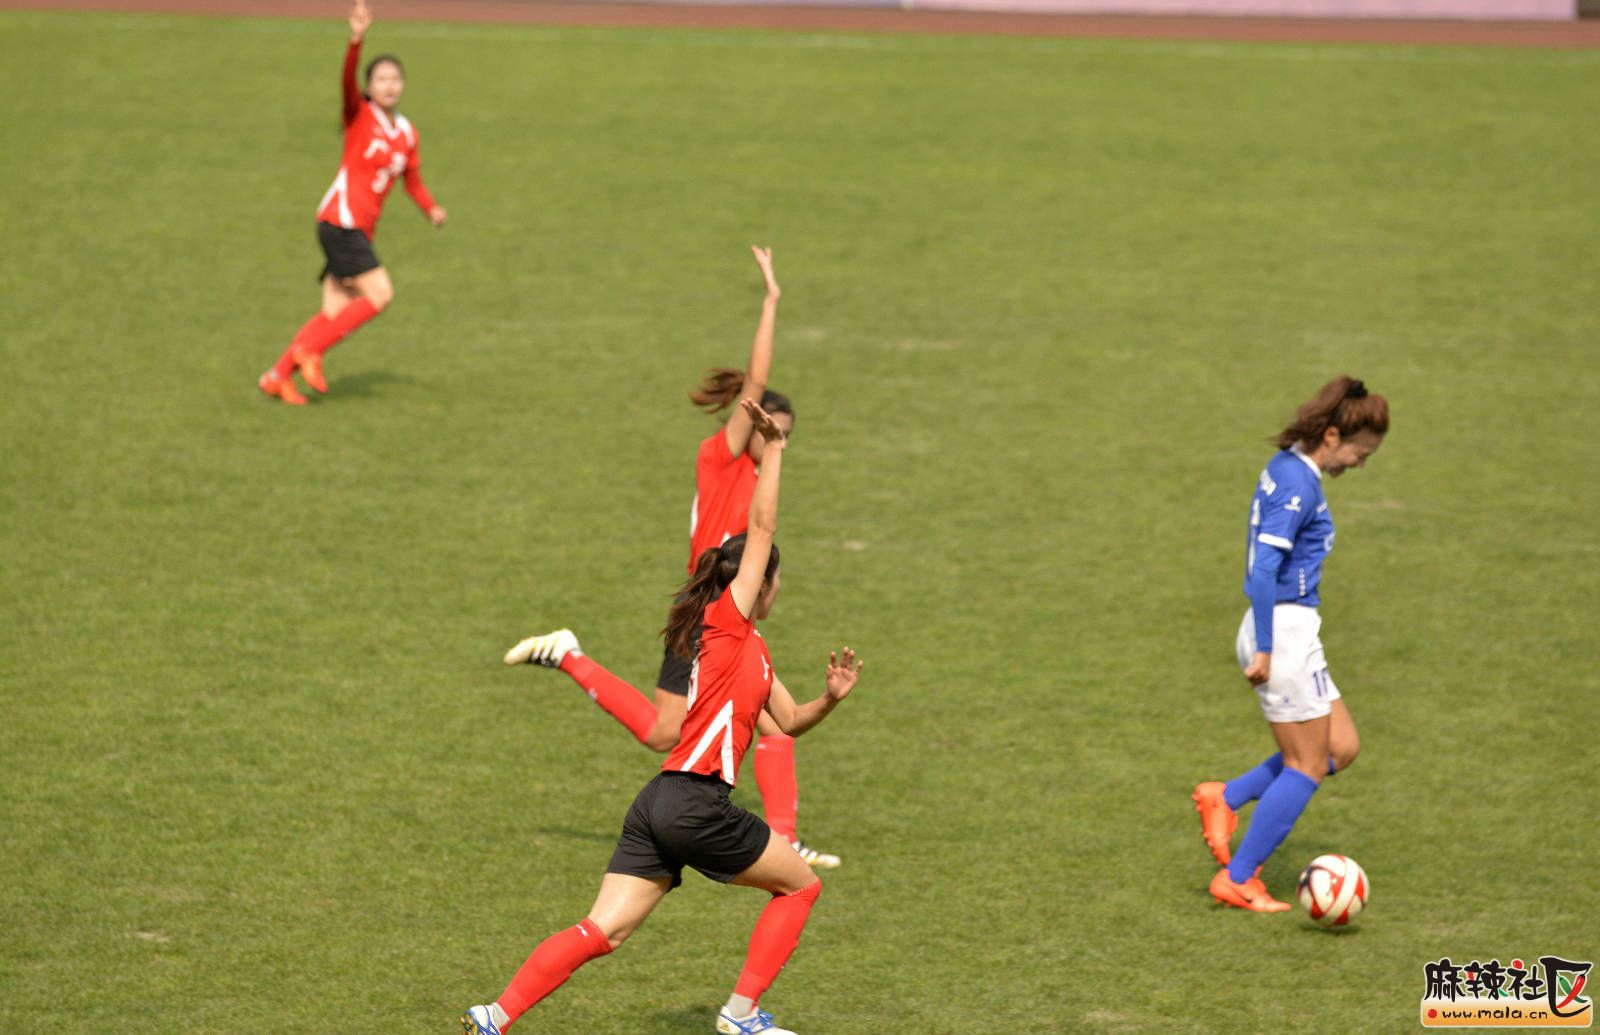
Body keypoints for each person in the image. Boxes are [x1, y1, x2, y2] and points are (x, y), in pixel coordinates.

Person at [462, 400, 862, 1035]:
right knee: (801, 887)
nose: (778, 585)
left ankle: (494, 1015)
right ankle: (741, 1015)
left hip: (659, 803)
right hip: (699, 802)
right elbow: (761, 526)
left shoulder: (752, 649)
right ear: (759, 583)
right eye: (776, 577)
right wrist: (776, 452)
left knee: (603, 930)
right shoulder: (727, 621)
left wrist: (831, 698)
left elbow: (786, 723)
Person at [504, 248, 840, 869]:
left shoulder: (761, 476)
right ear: (750, 421)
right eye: (772, 429)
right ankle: (785, 838)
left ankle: (568, 655)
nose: (778, 440)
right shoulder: (721, 458)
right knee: (735, 722)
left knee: (711, 725)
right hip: (711, 611)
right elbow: (756, 383)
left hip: (724, 613)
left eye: (786, 436)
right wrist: (771, 303)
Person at [1192, 376, 1389, 911]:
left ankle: (1227, 797)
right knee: (1306, 766)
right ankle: (1238, 877)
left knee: (1340, 747)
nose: (1359, 464)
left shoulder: (1287, 465)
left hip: (1296, 631)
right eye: (1359, 453)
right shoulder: (1300, 486)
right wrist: (1266, 647)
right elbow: (1264, 568)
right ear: (1331, 435)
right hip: (1281, 635)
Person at [258, 0, 446, 406]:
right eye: (381, 79)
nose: (389, 85)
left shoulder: (407, 133)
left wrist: (430, 208)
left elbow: (412, 181)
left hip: (357, 229)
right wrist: (356, 40)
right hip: (340, 222)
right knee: (380, 294)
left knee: (334, 312)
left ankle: (277, 376)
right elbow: (345, 81)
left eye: (395, 78)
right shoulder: (359, 115)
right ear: (369, 87)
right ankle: (310, 352)